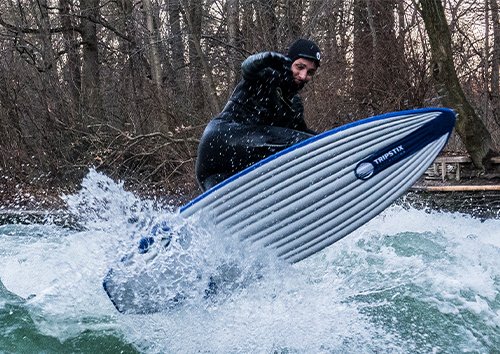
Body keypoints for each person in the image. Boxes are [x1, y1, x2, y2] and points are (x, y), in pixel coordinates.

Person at [195, 38, 321, 192]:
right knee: (306, 145)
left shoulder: (294, 105)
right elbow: (247, 69)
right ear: (289, 62)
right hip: (221, 139)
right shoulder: (267, 75)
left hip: (217, 171)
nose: (303, 75)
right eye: (299, 67)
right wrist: (263, 59)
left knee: (226, 210)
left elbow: (305, 135)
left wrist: (336, 139)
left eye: (310, 72)